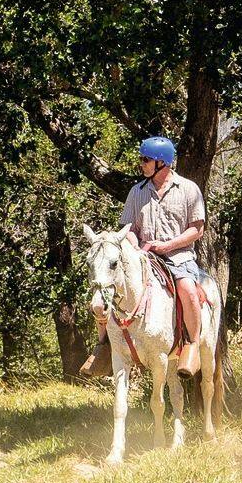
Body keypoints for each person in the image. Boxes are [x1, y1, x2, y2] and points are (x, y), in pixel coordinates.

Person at [81, 136, 206, 377]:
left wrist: (168, 244)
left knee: (188, 289)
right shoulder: (136, 192)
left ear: (163, 162)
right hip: (143, 257)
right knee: (109, 291)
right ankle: (105, 346)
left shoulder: (189, 189)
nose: (141, 163)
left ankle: (192, 344)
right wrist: (137, 249)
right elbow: (128, 230)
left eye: (146, 159)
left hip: (179, 257)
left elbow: (197, 229)